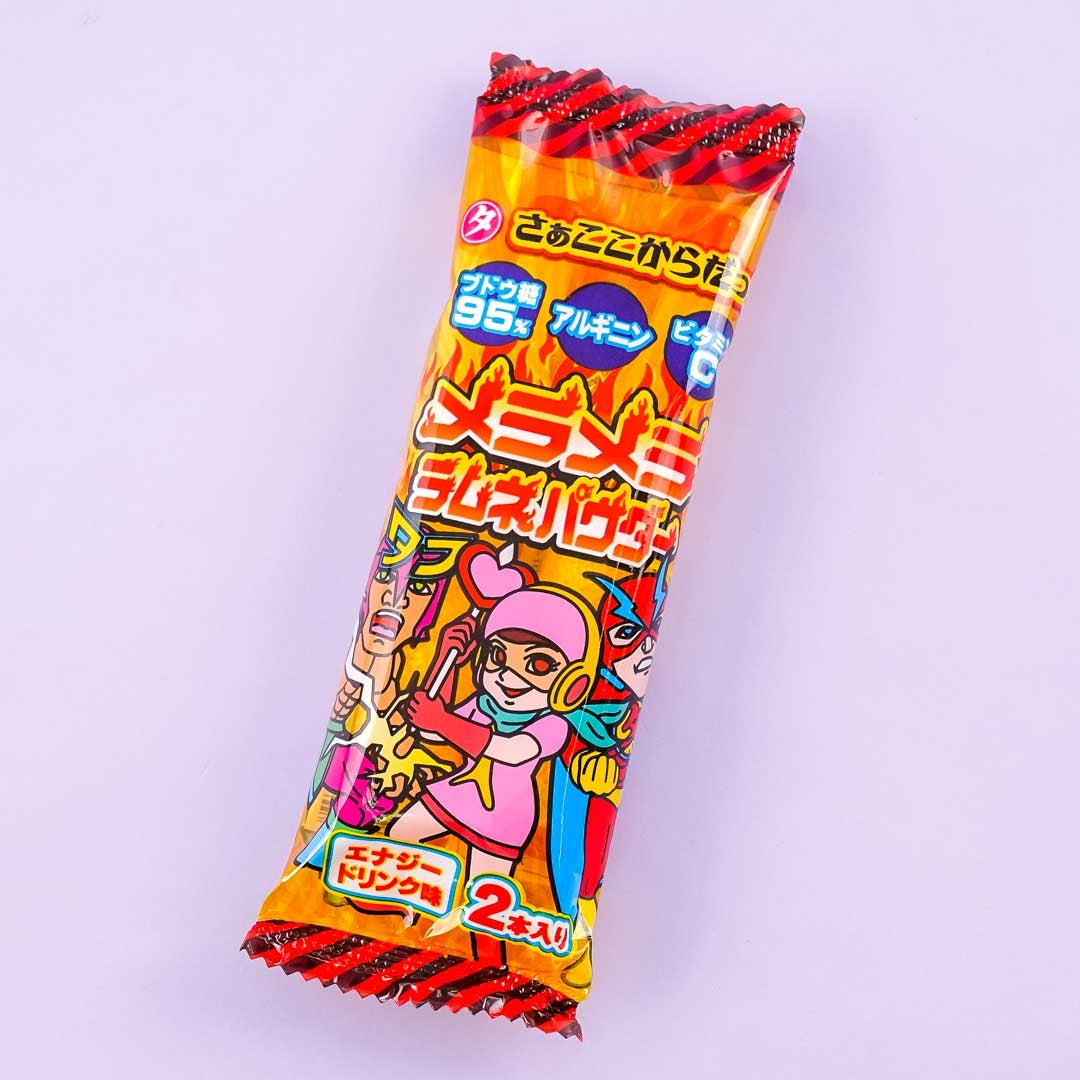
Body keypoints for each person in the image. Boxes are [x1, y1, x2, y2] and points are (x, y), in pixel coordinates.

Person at [390, 584, 598, 963]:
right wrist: (446, 664)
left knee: (486, 902)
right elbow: (432, 732)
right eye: (498, 656)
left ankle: (487, 965)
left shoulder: (553, 724)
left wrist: (442, 721)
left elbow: (511, 751)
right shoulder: (483, 703)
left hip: (503, 820)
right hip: (453, 794)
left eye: (537, 665)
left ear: (572, 684)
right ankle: (398, 926)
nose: (508, 676)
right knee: (400, 835)